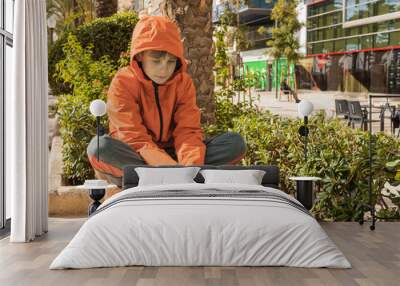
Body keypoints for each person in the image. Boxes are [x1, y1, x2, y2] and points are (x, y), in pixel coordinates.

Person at [87, 15, 246, 187]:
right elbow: (133, 138)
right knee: (99, 148)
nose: (164, 69)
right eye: (156, 61)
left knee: (234, 143)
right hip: (138, 154)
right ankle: (184, 178)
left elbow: (188, 132)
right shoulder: (122, 82)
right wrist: (173, 170)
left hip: (177, 156)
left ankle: (156, 180)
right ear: (140, 56)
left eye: (170, 62)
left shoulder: (183, 82)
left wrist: (189, 168)